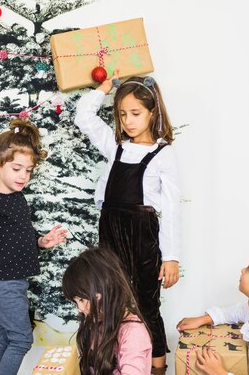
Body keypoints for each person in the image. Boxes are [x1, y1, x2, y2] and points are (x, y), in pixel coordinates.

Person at [74, 71, 182, 373]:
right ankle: (114, 362)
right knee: (110, 300)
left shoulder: (163, 154)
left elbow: (172, 209)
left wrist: (171, 258)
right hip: (110, 229)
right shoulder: (115, 146)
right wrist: (105, 88)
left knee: (146, 303)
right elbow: (84, 116)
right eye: (122, 115)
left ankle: (158, 367)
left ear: (153, 112)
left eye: (135, 113)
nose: (128, 121)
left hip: (143, 234)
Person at [0, 118, 68, 375]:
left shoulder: (18, 198)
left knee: (5, 339)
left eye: (28, 170)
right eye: (16, 169)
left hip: (15, 280)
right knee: (22, 339)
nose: (23, 175)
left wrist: (41, 242)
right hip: (4, 282)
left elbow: (20, 235)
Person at [62, 247, 152, 375]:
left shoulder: (133, 333)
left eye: (82, 299)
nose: (80, 308)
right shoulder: (96, 322)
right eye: (75, 301)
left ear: (107, 290)